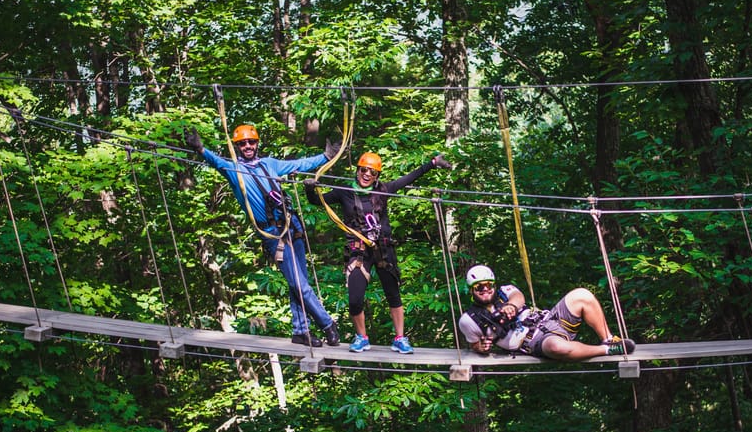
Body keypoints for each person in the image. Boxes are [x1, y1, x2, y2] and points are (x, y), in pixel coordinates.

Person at [184, 124, 340, 348]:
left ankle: (301, 330)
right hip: (272, 234)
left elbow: (299, 164)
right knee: (298, 283)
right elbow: (216, 162)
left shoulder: (270, 164)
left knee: (299, 284)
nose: (247, 146)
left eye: (251, 142)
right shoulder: (234, 170)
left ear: (257, 143)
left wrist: (325, 157)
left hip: (291, 226)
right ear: (237, 147)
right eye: (242, 143)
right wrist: (201, 150)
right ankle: (327, 325)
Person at [303, 151, 452, 354]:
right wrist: (310, 190)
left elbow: (408, 178)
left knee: (393, 294)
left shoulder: (384, 190)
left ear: (377, 176)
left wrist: (432, 163)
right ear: (357, 170)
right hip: (358, 251)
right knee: (355, 298)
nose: (366, 175)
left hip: (383, 249)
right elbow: (317, 201)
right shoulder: (345, 191)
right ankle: (361, 337)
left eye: (372, 172)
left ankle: (400, 338)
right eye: (363, 170)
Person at [458, 264, 635, 360]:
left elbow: (519, 298)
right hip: (537, 341)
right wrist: (481, 348)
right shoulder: (469, 320)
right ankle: (607, 350)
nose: (485, 289)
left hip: (550, 319)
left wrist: (511, 306)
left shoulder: (505, 291)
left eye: (489, 285)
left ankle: (609, 338)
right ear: (472, 290)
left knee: (582, 295)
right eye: (479, 287)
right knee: (558, 347)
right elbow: (475, 345)